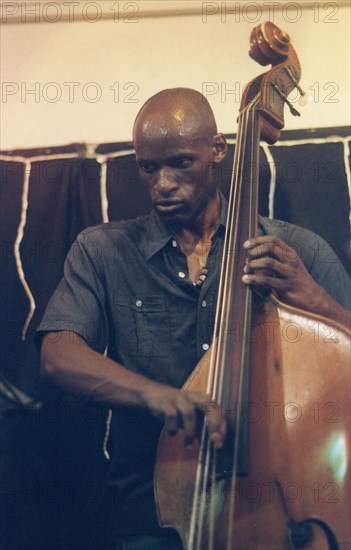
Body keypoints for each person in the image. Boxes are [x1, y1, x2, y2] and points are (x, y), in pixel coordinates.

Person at [37, 88, 351, 550]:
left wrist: (314, 299)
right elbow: (58, 355)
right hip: (156, 512)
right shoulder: (103, 251)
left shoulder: (295, 250)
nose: (163, 183)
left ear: (218, 150)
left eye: (180, 163)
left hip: (285, 505)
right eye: (149, 167)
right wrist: (163, 398)